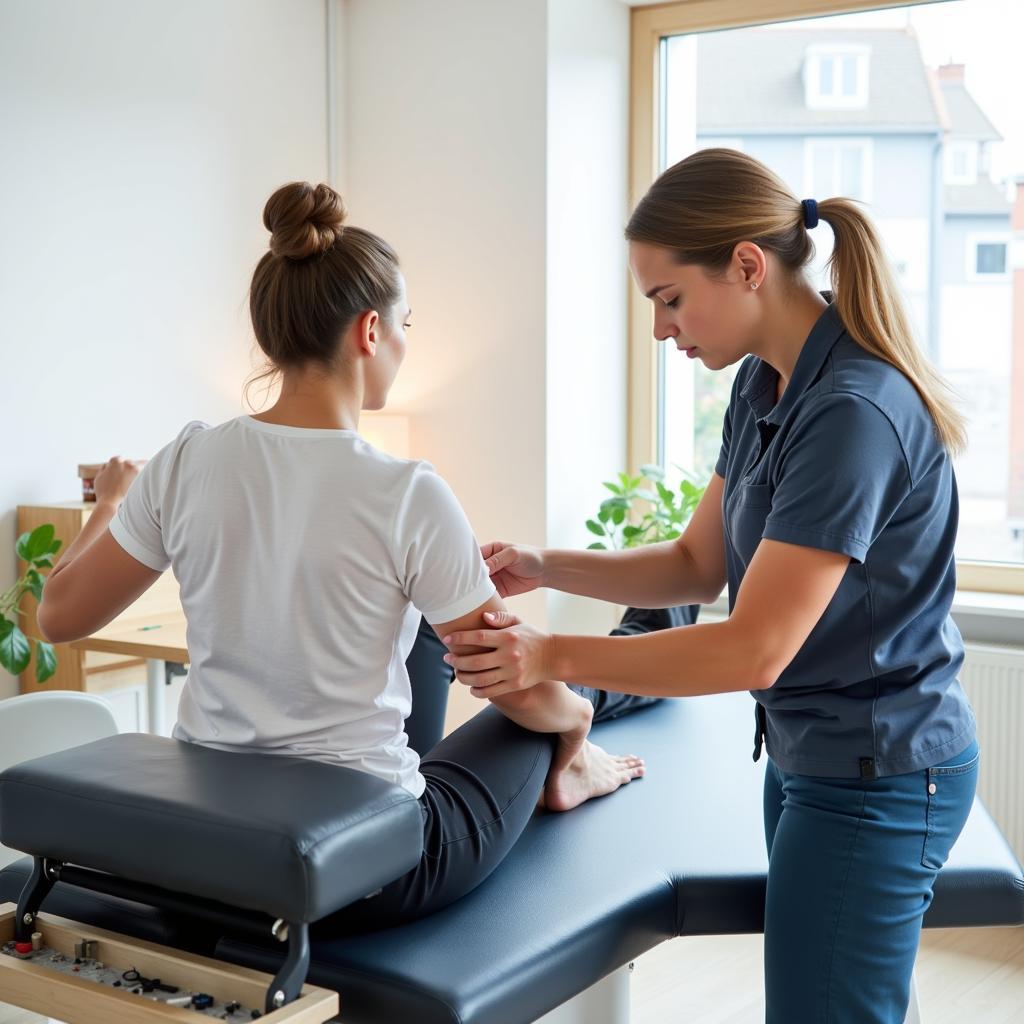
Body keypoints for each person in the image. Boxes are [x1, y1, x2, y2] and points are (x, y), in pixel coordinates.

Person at [35, 180, 667, 934]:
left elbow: (57, 615)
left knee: (442, 628)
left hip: (212, 856)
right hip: (370, 874)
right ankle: (585, 760)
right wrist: (576, 724)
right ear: (371, 331)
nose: (404, 343)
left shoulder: (186, 459)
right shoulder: (405, 492)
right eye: (406, 325)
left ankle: (616, 674)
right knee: (535, 712)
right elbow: (519, 685)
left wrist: (108, 503)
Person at [443, 148, 979, 1023]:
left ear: (746, 265)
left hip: (879, 773)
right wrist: (545, 565)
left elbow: (755, 648)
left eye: (669, 299)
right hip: (818, 757)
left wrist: (547, 656)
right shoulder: (765, 384)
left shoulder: (851, 411)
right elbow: (699, 565)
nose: (661, 329)